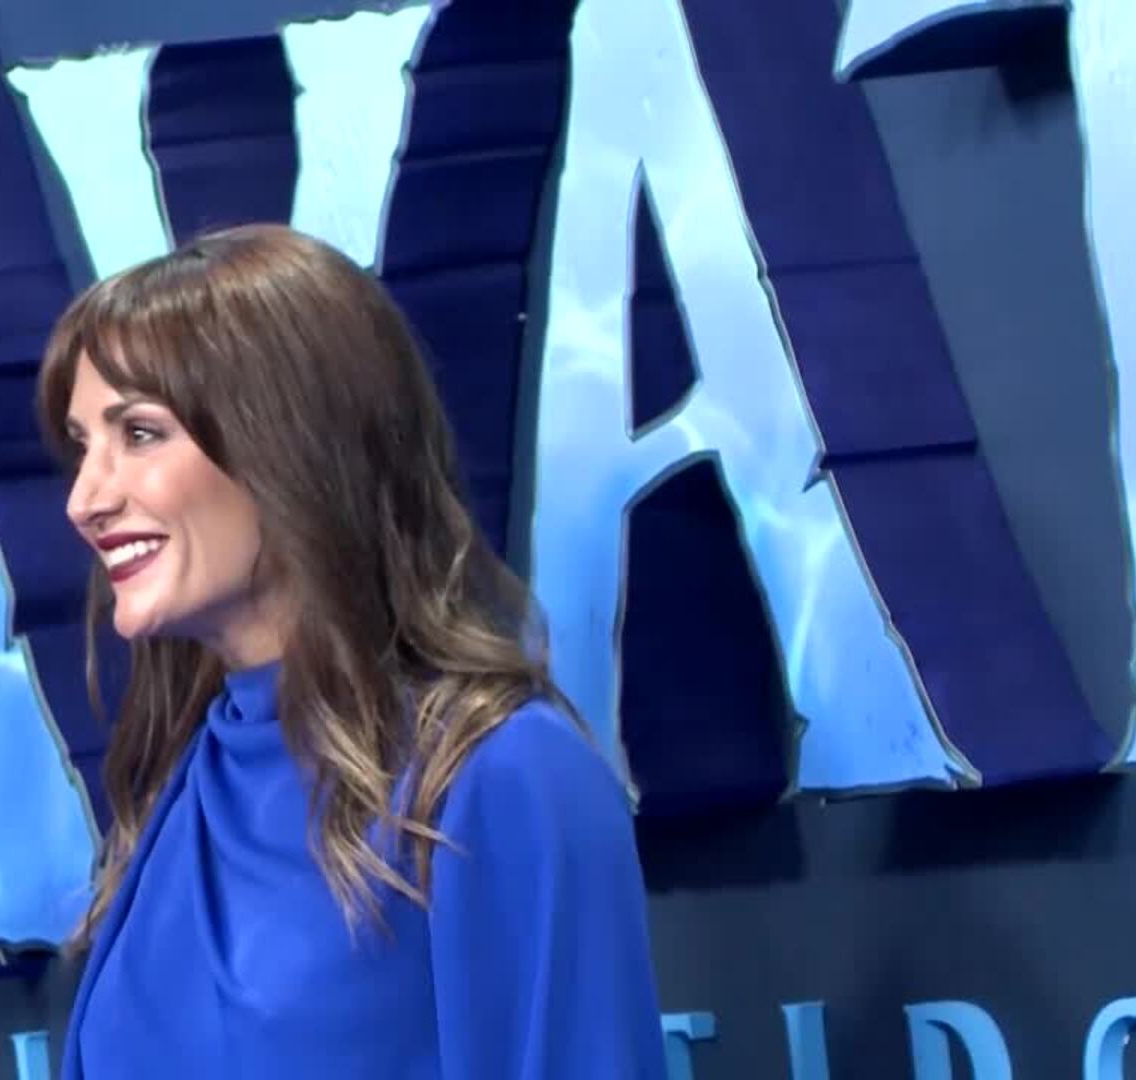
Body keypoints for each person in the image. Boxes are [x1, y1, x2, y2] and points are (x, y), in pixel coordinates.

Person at [37, 223, 667, 1079]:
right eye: (83, 445)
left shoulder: (503, 775)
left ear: (287, 440)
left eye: (139, 434)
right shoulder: (191, 781)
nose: (85, 500)